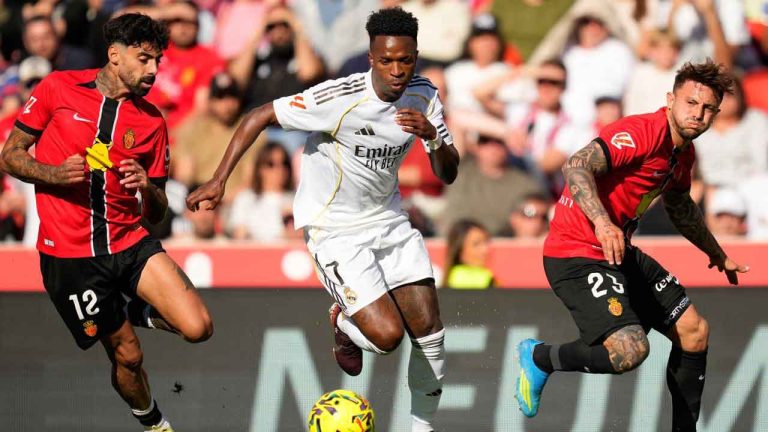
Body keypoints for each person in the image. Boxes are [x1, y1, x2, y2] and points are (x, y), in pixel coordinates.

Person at [186, 8, 459, 431]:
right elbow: (259, 115)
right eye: (387, 60)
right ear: (371, 58)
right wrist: (219, 180)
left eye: (405, 60)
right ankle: (344, 323)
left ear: (416, 57)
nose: (396, 71)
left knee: (430, 332)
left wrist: (433, 136)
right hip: (334, 228)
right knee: (387, 338)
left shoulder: (424, 96)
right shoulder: (340, 98)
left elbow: (448, 173)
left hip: (388, 219)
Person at [0, 14, 213, 432]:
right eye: (144, 59)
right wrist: (52, 173)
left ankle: (125, 308)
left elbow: (157, 213)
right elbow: (10, 156)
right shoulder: (58, 88)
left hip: (129, 241)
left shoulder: (152, 122)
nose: (153, 70)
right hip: (71, 257)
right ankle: (155, 425)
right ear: (114, 55)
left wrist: (147, 188)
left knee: (198, 327)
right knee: (129, 356)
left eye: (158, 61)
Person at [515, 59, 749, 431]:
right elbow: (576, 165)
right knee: (631, 350)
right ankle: (541, 358)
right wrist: (602, 222)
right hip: (575, 251)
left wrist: (715, 252)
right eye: (691, 103)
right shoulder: (643, 131)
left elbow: (679, 205)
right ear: (670, 99)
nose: (698, 114)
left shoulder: (683, 154)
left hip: (617, 251)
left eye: (708, 108)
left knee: (694, 331)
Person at [443, 219, 494, 289]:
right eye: (476, 244)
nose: (485, 250)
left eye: (486, 242)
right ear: (459, 249)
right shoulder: (484, 279)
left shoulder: (449, 277)